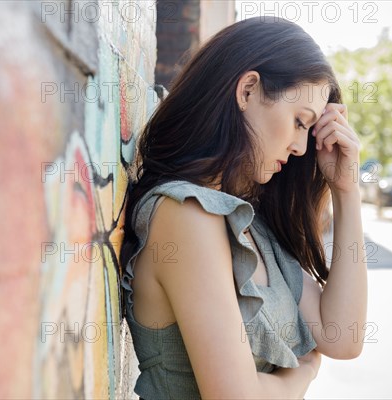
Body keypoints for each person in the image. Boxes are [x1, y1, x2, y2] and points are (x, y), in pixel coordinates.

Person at [119, 17, 368, 399]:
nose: (302, 147)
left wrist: (346, 191)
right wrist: (300, 376)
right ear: (248, 89)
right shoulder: (185, 214)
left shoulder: (252, 224)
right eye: (299, 122)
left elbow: (343, 338)